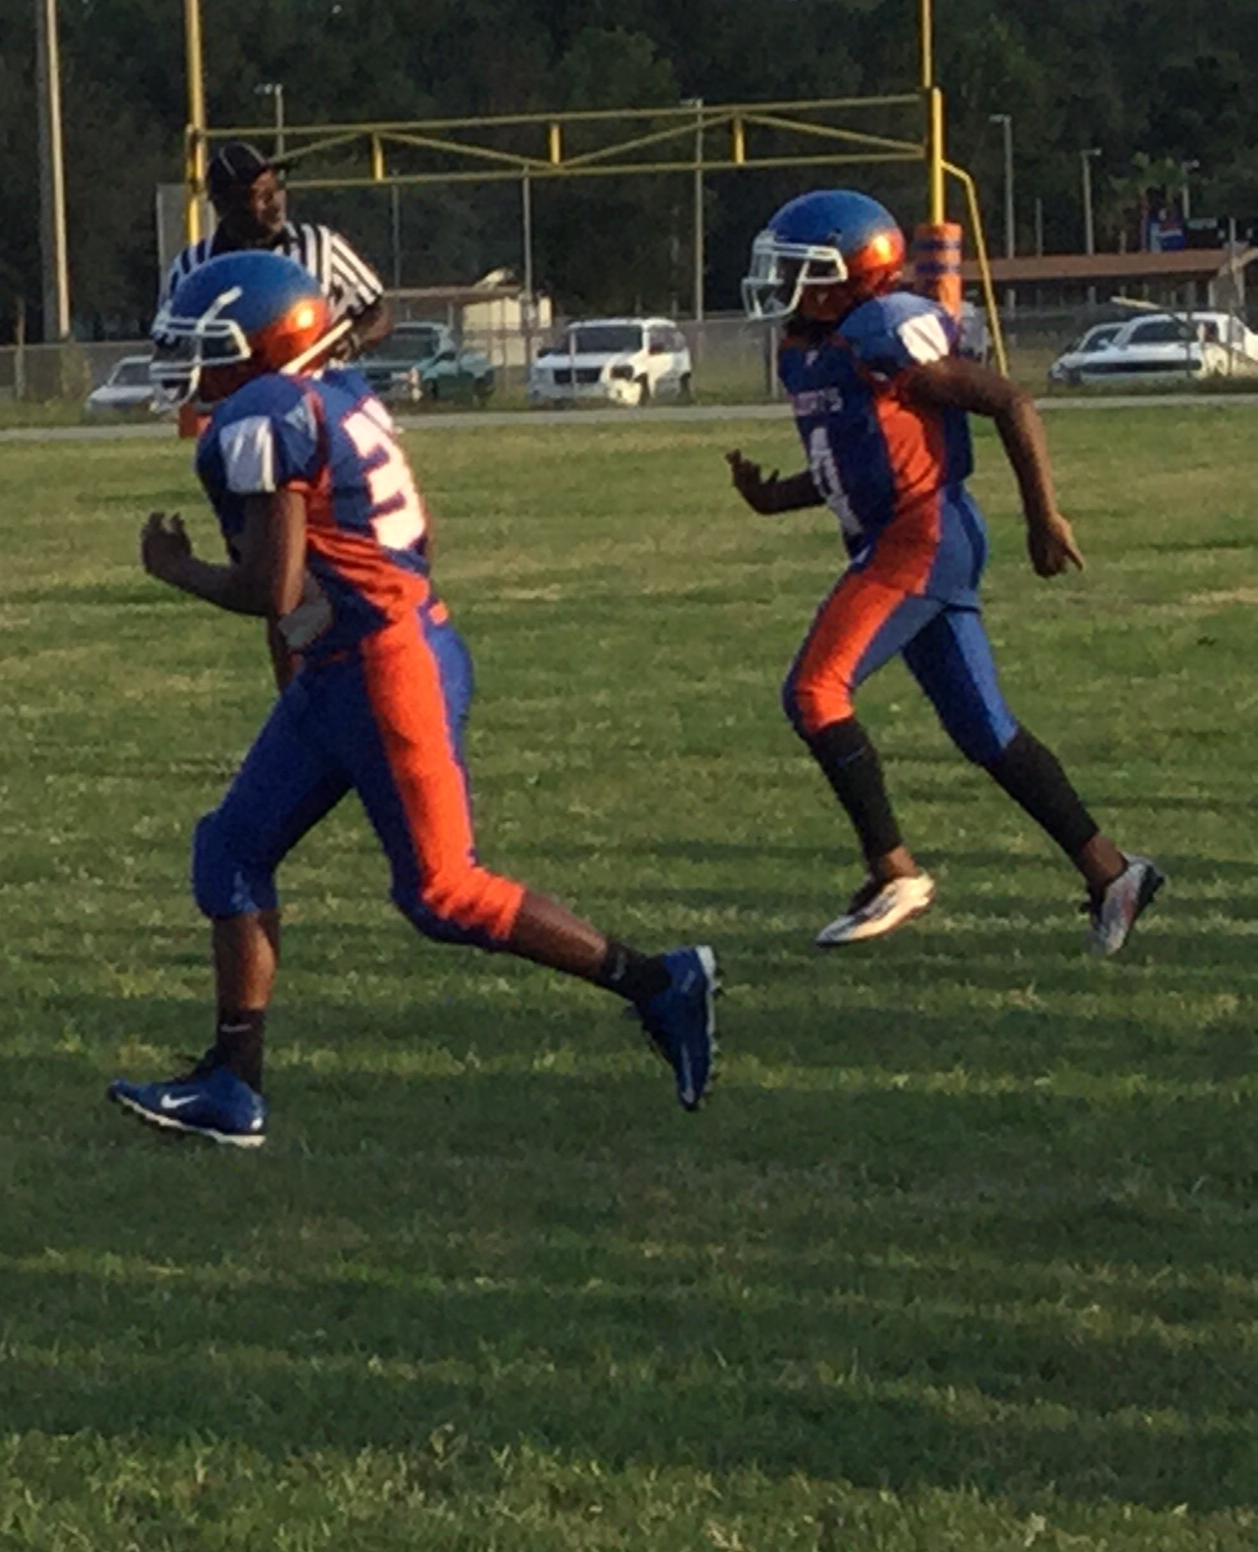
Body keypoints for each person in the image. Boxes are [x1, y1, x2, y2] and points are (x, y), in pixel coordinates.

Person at [109, 251, 716, 1148]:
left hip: (387, 667)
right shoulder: (330, 394)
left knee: (443, 893)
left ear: (264, 346)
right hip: (350, 661)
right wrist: (298, 677)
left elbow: (273, 587)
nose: (190, 366)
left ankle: (661, 982)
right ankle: (232, 1085)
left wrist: (177, 570)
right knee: (230, 851)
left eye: (209, 346)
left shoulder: (269, 411)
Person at [726, 189, 1162, 951]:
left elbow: (1011, 402)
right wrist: (776, 496)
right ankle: (1112, 872)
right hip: (904, 535)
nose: (784, 282)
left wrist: (1044, 516)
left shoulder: (879, 334)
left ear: (852, 272)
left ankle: (892, 871)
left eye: (800, 267)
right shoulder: (809, 348)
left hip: (921, 536)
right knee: (985, 729)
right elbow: (857, 461)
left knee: (815, 692)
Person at [153, 139, 390, 373]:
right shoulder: (191, 267)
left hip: (314, 392)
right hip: (230, 395)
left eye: (277, 188)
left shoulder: (321, 245)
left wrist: (352, 340)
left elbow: (377, 309)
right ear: (223, 205)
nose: (275, 203)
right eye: (260, 195)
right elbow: (167, 345)